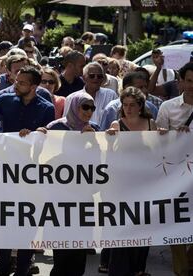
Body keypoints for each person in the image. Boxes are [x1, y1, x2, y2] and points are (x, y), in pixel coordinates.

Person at [0, 66, 54, 276]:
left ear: (34, 86)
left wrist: (37, 134)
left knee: (28, 222)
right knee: (5, 219)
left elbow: (47, 142)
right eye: (16, 81)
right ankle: (4, 265)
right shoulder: (4, 100)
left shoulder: (46, 108)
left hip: (31, 175)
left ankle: (23, 267)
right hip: (4, 171)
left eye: (22, 83)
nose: (16, 85)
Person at [105, 86, 161, 276]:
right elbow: (109, 159)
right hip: (122, 187)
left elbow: (160, 153)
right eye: (125, 105)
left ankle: (138, 269)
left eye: (132, 105)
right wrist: (110, 142)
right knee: (122, 232)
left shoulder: (151, 124)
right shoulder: (115, 125)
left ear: (140, 106)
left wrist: (170, 135)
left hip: (145, 187)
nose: (128, 109)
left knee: (142, 231)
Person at [42, 92, 99, 276]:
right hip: (60, 200)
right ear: (75, 106)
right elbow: (45, 157)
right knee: (63, 255)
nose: (88, 111)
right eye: (85, 107)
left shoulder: (95, 129)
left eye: (92, 108)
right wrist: (36, 135)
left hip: (83, 199)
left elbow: (101, 163)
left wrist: (95, 142)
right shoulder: (56, 127)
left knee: (79, 255)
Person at [156, 62, 193, 276]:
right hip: (175, 177)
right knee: (176, 225)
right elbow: (157, 142)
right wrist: (171, 136)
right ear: (180, 81)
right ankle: (182, 271)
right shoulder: (167, 107)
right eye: (189, 81)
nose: (192, 86)